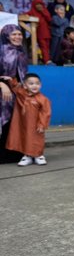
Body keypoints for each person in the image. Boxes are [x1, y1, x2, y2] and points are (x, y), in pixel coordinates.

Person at [1, 73, 51, 166]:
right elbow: (16, 87)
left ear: (41, 85)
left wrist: (42, 124)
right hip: (23, 124)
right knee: (25, 138)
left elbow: (46, 113)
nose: (34, 86)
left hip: (36, 124)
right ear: (25, 85)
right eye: (31, 83)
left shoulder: (43, 99)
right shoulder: (21, 94)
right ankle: (27, 156)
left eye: (37, 83)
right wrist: (11, 80)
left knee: (37, 139)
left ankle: (39, 156)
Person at [0, 24, 29, 164]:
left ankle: (13, 152)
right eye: (14, 34)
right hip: (3, 90)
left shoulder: (21, 51)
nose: (18, 37)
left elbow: (23, 74)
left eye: (19, 34)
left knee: (15, 121)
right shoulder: (1, 50)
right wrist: (2, 85)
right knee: (4, 120)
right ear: (6, 35)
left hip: (17, 90)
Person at [26, 0, 52, 64]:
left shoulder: (45, 11)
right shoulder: (32, 11)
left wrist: (43, 11)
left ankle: (45, 60)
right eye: (37, 4)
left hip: (47, 33)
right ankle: (47, 61)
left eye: (40, 4)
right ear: (34, 5)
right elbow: (24, 16)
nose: (39, 5)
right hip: (39, 33)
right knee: (43, 47)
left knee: (47, 47)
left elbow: (49, 20)